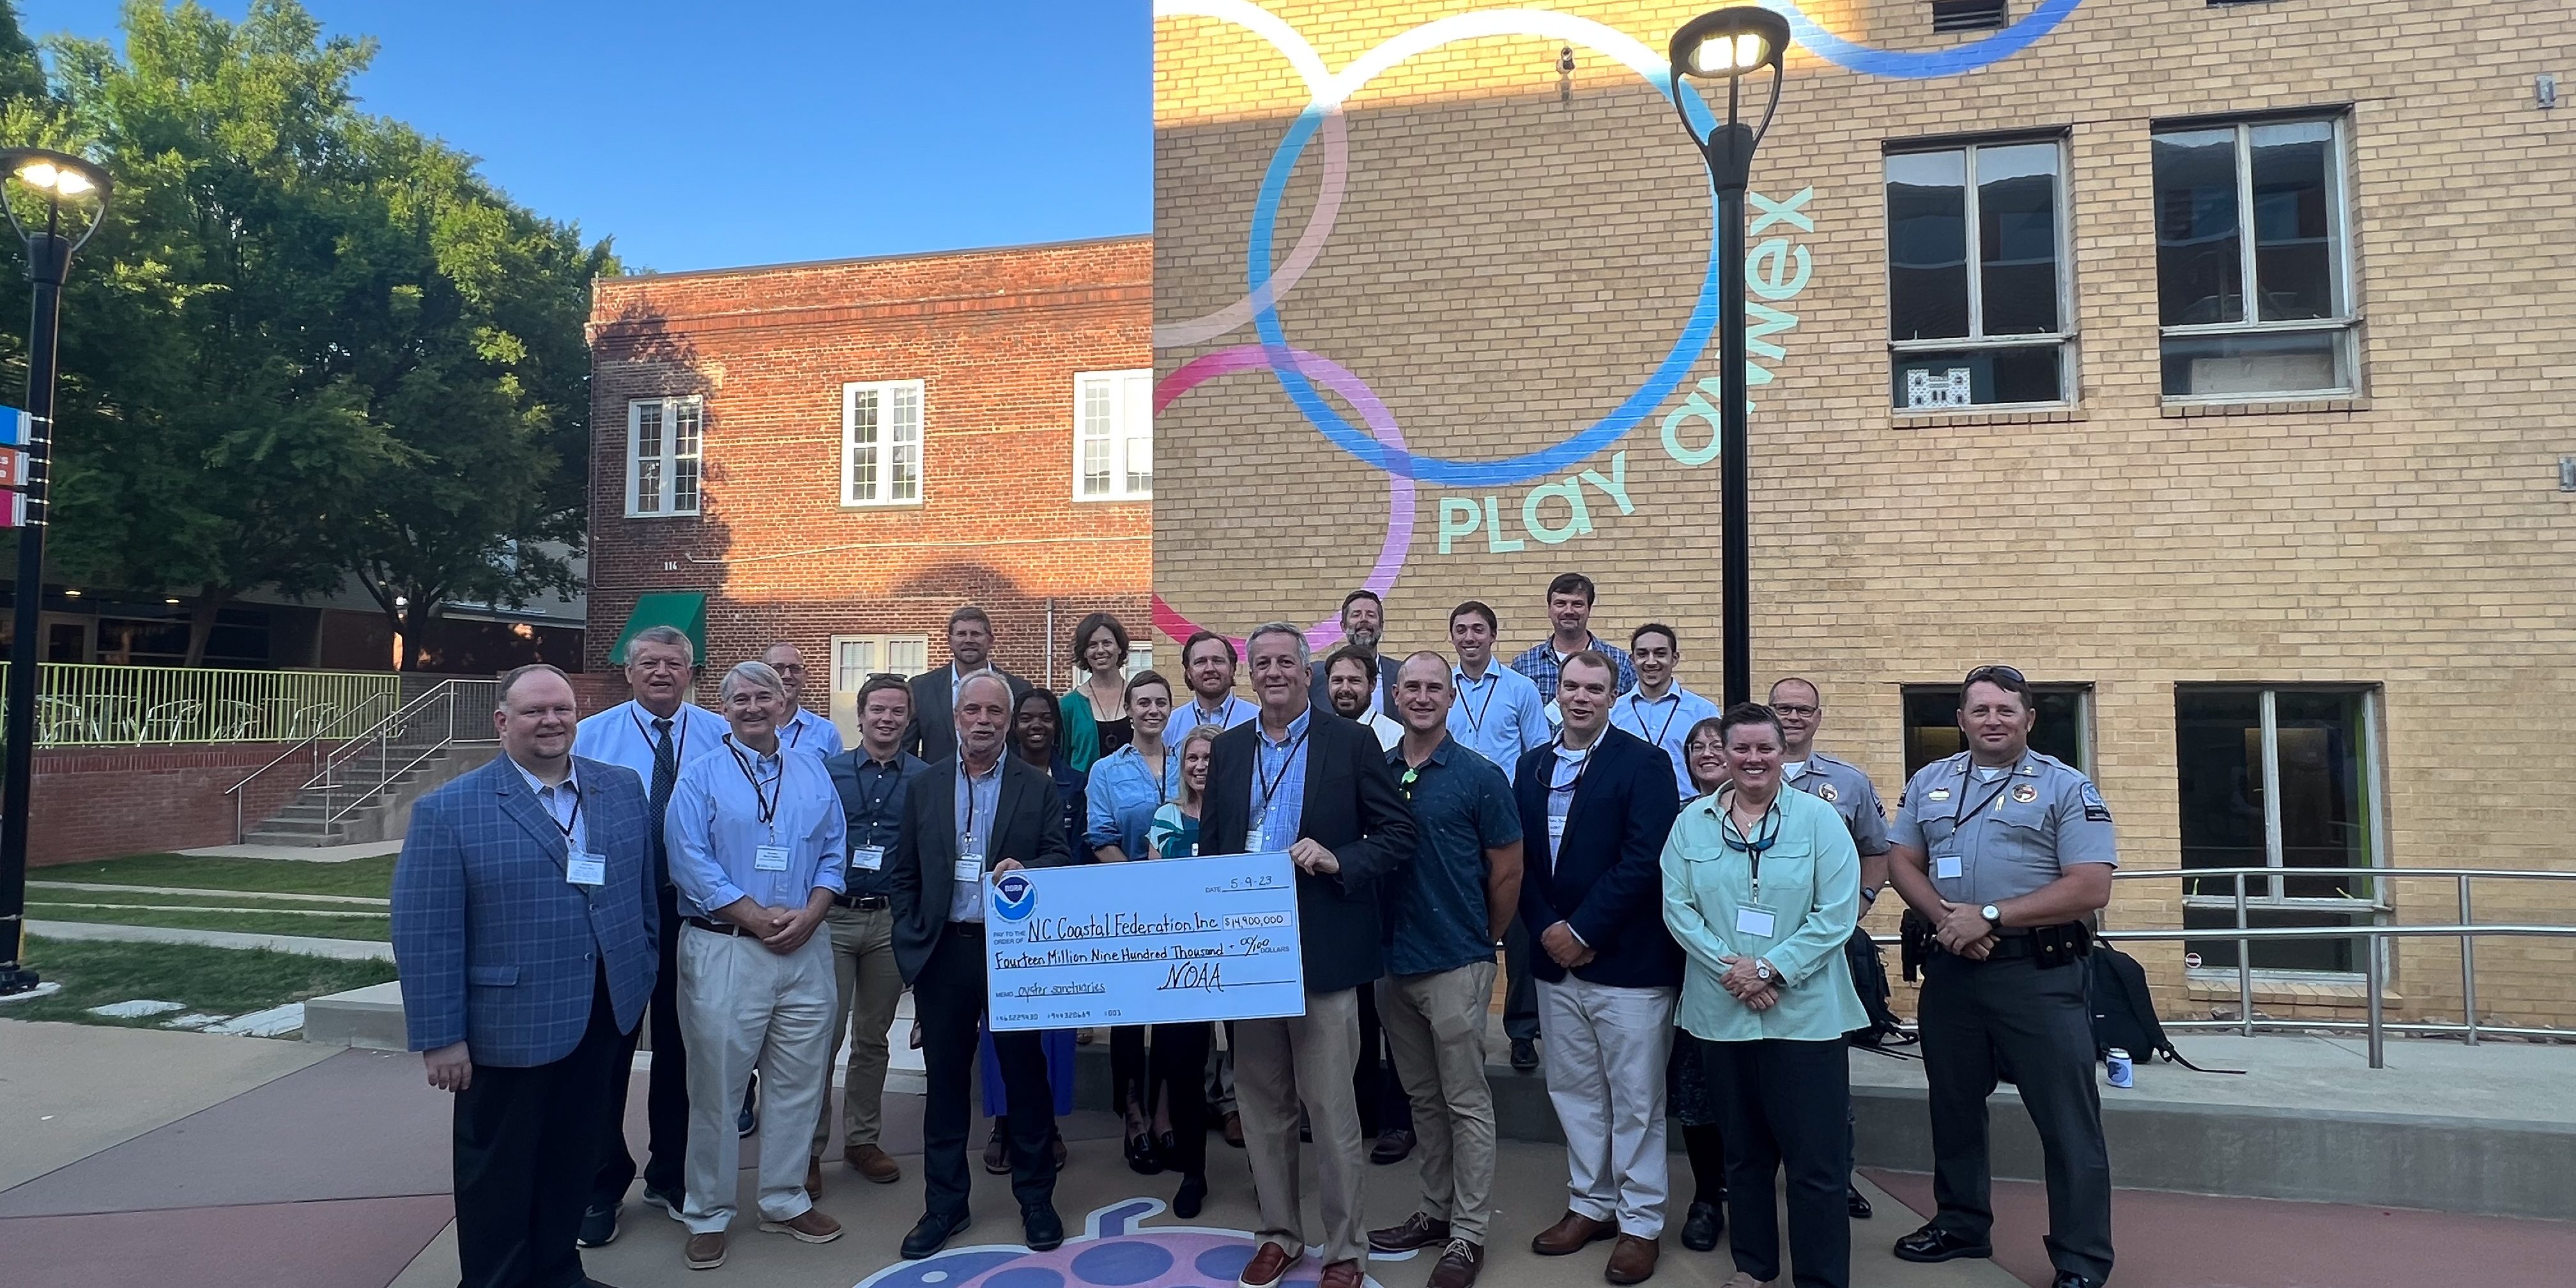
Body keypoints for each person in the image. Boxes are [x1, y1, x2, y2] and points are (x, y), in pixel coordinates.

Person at [394, 664, 659, 1288]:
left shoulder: (620, 788)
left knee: (574, 1155)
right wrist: (442, 1036)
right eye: (535, 711)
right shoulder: (449, 810)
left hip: (603, 1013)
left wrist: (641, 965)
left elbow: (640, 890)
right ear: (502, 721)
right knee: (500, 1172)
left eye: (562, 709)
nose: (551, 721)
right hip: (507, 1026)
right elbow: (424, 931)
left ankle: (558, 1270)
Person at [1884, 666, 2115, 1288]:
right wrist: (1946, 920)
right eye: (1980, 710)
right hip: (1954, 969)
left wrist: (1988, 915)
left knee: (2067, 1121)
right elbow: (1901, 860)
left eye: (2006, 710)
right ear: (1961, 719)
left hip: (2038, 974)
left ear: (2028, 719)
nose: (1993, 720)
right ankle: (1961, 1224)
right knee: (1954, 1107)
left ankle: (2080, 1259)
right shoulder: (1930, 781)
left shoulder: (2066, 786)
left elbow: (2090, 886)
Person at [1202, 622, 1416, 1288]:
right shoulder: (1229, 750)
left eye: (1285, 663)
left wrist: (1338, 858)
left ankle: (1346, 1249)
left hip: (1322, 951)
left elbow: (1398, 834)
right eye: (1262, 663)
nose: (1273, 673)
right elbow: (1211, 850)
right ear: (1251, 674)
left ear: (1306, 672)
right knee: (1263, 1108)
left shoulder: (1350, 743)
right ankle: (1279, 1234)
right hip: (1249, 956)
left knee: (1330, 1109)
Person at [1662, 703, 1865, 1288]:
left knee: (1816, 1163)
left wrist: (1771, 969)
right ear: (1723, 754)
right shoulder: (1691, 824)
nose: (1753, 759)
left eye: (1765, 749)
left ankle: (1821, 1279)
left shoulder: (1820, 820)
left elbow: (1837, 913)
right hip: (1722, 1013)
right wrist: (1736, 971)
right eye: (1741, 748)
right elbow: (1678, 908)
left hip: (1806, 1018)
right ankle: (1753, 1269)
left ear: (1783, 753)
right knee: (1743, 1155)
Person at [666, 660, 848, 1269]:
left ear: (782, 703)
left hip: (805, 946)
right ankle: (708, 1212)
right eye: (740, 699)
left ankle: (785, 1199)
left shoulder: (813, 770)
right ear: (724, 710)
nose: (752, 708)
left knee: (799, 1081)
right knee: (717, 1089)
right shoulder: (701, 775)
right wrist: (753, 915)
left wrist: (814, 912)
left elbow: (834, 850)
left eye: (763, 696)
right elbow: (687, 859)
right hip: (726, 947)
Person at [889, 672, 1076, 1259]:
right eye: (972, 710)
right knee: (946, 1082)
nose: (983, 721)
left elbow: (1060, 857)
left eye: (995, 711)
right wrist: (911, 938)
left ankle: (1036, 1199)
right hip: (945, 950)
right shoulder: (924, 784)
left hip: (1011, 952)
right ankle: (945, 1204)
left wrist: (1029, 869)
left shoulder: (1035, 786)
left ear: (1009, 720)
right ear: (956, 716)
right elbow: (903, 871)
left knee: (1025, 1076)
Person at [1515, 651, 1682, 1286]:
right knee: (1574, 1091)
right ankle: (1591, 1205)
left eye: (1595, 688)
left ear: (1614, 696)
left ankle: (1641, 1224)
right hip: (1555, 964)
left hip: (1627, 963)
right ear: (1556, 692)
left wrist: (1583, 930)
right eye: (1572, 686)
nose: (1581, 697)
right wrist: (1547, 929)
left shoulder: (1644, 763)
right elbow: (1521, 861)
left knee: (1636, 1100)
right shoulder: (1532, 765)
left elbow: (1645, 859)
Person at [1365, 654, 1524, 1288]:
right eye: (1413, 687)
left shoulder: (1480, 777)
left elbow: (1507, 871)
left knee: (1465, 1102)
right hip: (1390, 962)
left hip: (1456, 960)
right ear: (1396, 695)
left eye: (1435, 687)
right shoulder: (1377, 773)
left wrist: (1484, 939)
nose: (1423, 696)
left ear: (1452, 696)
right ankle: (1435, 1212)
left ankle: (1468, 1234)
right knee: (1423, 1099)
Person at [572, 624, 732, 1243]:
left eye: (673, 663)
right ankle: (600, 1183)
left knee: (683, 1048)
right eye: (648, 663)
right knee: (608, 1052)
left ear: (691, 672)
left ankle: (671, 1172)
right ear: (629, 672)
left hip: (692, 913)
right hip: (615, 914)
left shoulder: (720, 734)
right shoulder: (593, 735)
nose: (661, 673)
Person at [1770, 675, 1894, 1221]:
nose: (1793, 718)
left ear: (1818, 718)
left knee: (1824, 1073)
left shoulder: (1848, 782)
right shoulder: (1742, 773)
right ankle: (1748, 1177)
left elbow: (1878, 850)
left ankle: (1834, 1178)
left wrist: (1860, 903)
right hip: (1753, 948)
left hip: (1823, 948)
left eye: (1804, 710)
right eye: (1783, 708)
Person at [812, 673, 924, 1190]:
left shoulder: (925, 778)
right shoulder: (827, 772)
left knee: (873, 1039)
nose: (887, 719)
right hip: (831, 917)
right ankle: (808, 1150)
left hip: (888, 921)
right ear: (859, 717)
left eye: (897, 711)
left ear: (909, 719)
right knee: (821, 1038)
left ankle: (862, 1140)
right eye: (877, 709)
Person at [972, 689, 1084, 1177]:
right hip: (1005, 918)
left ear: (1058, 726)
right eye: (1027, 718)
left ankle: (1047, 1125)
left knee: (1053, 1031)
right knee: (1001, 1025)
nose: (1036, 726)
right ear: (1013, 725)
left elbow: (1073, 851)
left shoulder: (1075, 782)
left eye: (1046, 718)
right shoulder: (992, 779)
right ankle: (1003, 1122)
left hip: (1060, 919)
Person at [1445, 601, 1552, 1073]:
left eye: (1478, 629)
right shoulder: (1441, 686)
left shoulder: (1519, 688)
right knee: (1462, 922)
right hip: (1453, 820)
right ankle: (1462, 1029)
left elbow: (1538, 755)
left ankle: (1522, 1031)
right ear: (1453, 637)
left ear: (1493, 635)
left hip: (1507, 821)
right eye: (1461, 630)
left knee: (1520, 932)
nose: (1470, 637)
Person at [1085, 672, 1184, 1173]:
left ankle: (1165, 1115)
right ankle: (1134, 1115)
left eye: (1160, 702)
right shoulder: (1106, 770)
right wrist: (1142, 884)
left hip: (1183, 909)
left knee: (1171, 1015)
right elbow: (1100, 836)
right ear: (1128, 709)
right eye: (1143, 702)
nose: (1152, 710)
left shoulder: (1187, 761)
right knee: (1128, 1017)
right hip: (1128, 906)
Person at [1134, 721, 1225, 1218]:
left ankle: (1267, 1172)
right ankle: (1195, 1171)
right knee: (1185, 1068)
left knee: (1258, 1069)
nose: (1200, 766)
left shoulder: (1240, 813)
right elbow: (1152, 885)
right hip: (1180, 960)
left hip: (1236, 955)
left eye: (1209, 758)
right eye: (1193, 758)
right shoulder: (1166, 817)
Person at [1669, 718, 1733, 1255]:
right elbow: (1675, 902)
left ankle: (1752, 1197)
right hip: (1702, 978)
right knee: (1698, 1095)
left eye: (1717, 744)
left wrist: (1765, 970)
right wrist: (1725, 965)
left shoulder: (1797, 815)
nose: (1707, 753)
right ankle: (1707, 1198)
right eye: (1697, 746)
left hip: (1775, 982)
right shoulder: (1681, 820)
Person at [908, 605, 1035, 762]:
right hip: (938, 777)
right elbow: (907, 753)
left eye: (976, 634)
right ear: (950, 641)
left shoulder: (1019, 689)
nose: (969, 640)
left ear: (990, 640)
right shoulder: (921, 689)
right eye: (961, 634)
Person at [1611, 625, 1718, 801]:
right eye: (1642, 654)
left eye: (1660, 654)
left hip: (1687, 807)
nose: (1651, 662)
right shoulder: (1614, 711)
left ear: (1674, 659)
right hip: (1627, 807)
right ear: (1632, 660)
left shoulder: (1703, 710)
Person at [1509, 573, 1637, 707]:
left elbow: (1630, 712)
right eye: (1560, 604)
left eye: (1577, 604)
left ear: (1589, 609)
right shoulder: (1524, 665)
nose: (1569, 611)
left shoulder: (1620, 662)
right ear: (1549, 609)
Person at [1059, 611, 1135, 771]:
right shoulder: (1068, 706)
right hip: (1085, 787)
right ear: (1084, 652)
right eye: (1092, 645)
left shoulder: (1138, 698)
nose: (1100, 650)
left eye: (1107, 643)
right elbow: (1063, 760)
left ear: (1119, 648)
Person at [1308, 590, 1397, 717]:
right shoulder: (1315, 677)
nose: (1364, 620)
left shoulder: (1399, 674)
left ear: (1381, 626)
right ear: (1343, 626)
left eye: (1371, 615)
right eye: (1356, 615)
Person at [766, 642, 845, 758]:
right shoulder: (743, 727)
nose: (787, 675)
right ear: (763, 675)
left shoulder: (826, 732)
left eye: (795, 668)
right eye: (778, 668)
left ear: (805, 676)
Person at [1177, 630, 1259, 735]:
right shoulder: (1171, 724)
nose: (1210, 669)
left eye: (1218, 661)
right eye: (1200, 662)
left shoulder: (1257, 719)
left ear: (1232, 668)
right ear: (1188, 672)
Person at [1326, 646, 1405, 750]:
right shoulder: (1318, 735)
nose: (1345, 689)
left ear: (1372, 684)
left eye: (1354, 681)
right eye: (1338, 681)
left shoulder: (1396, 736)